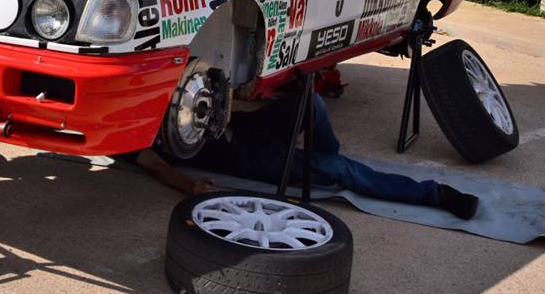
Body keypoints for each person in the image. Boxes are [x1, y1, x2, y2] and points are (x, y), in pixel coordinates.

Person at [133, 92, 480, 220]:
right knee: (341, 170)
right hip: (240, 155)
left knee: (310, 102)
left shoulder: (150, 84)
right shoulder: (125, 135)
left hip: (238, 123)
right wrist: (189, 186)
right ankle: (434, 193)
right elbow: (155, 165)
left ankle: (322, 162)